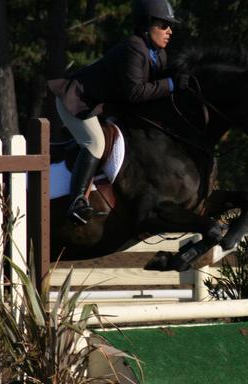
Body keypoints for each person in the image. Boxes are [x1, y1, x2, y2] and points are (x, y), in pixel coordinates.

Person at [47, 0, 189, 224]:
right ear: (147, 25)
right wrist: (170, 84)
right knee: (96, 143)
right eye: (163, 25)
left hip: (101, 106)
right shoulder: (134, 48)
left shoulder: (158, 54)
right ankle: (76, 202)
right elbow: (135, 92)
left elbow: (152, 92)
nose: (169, 31)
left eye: (169, 26)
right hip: (77, 101)